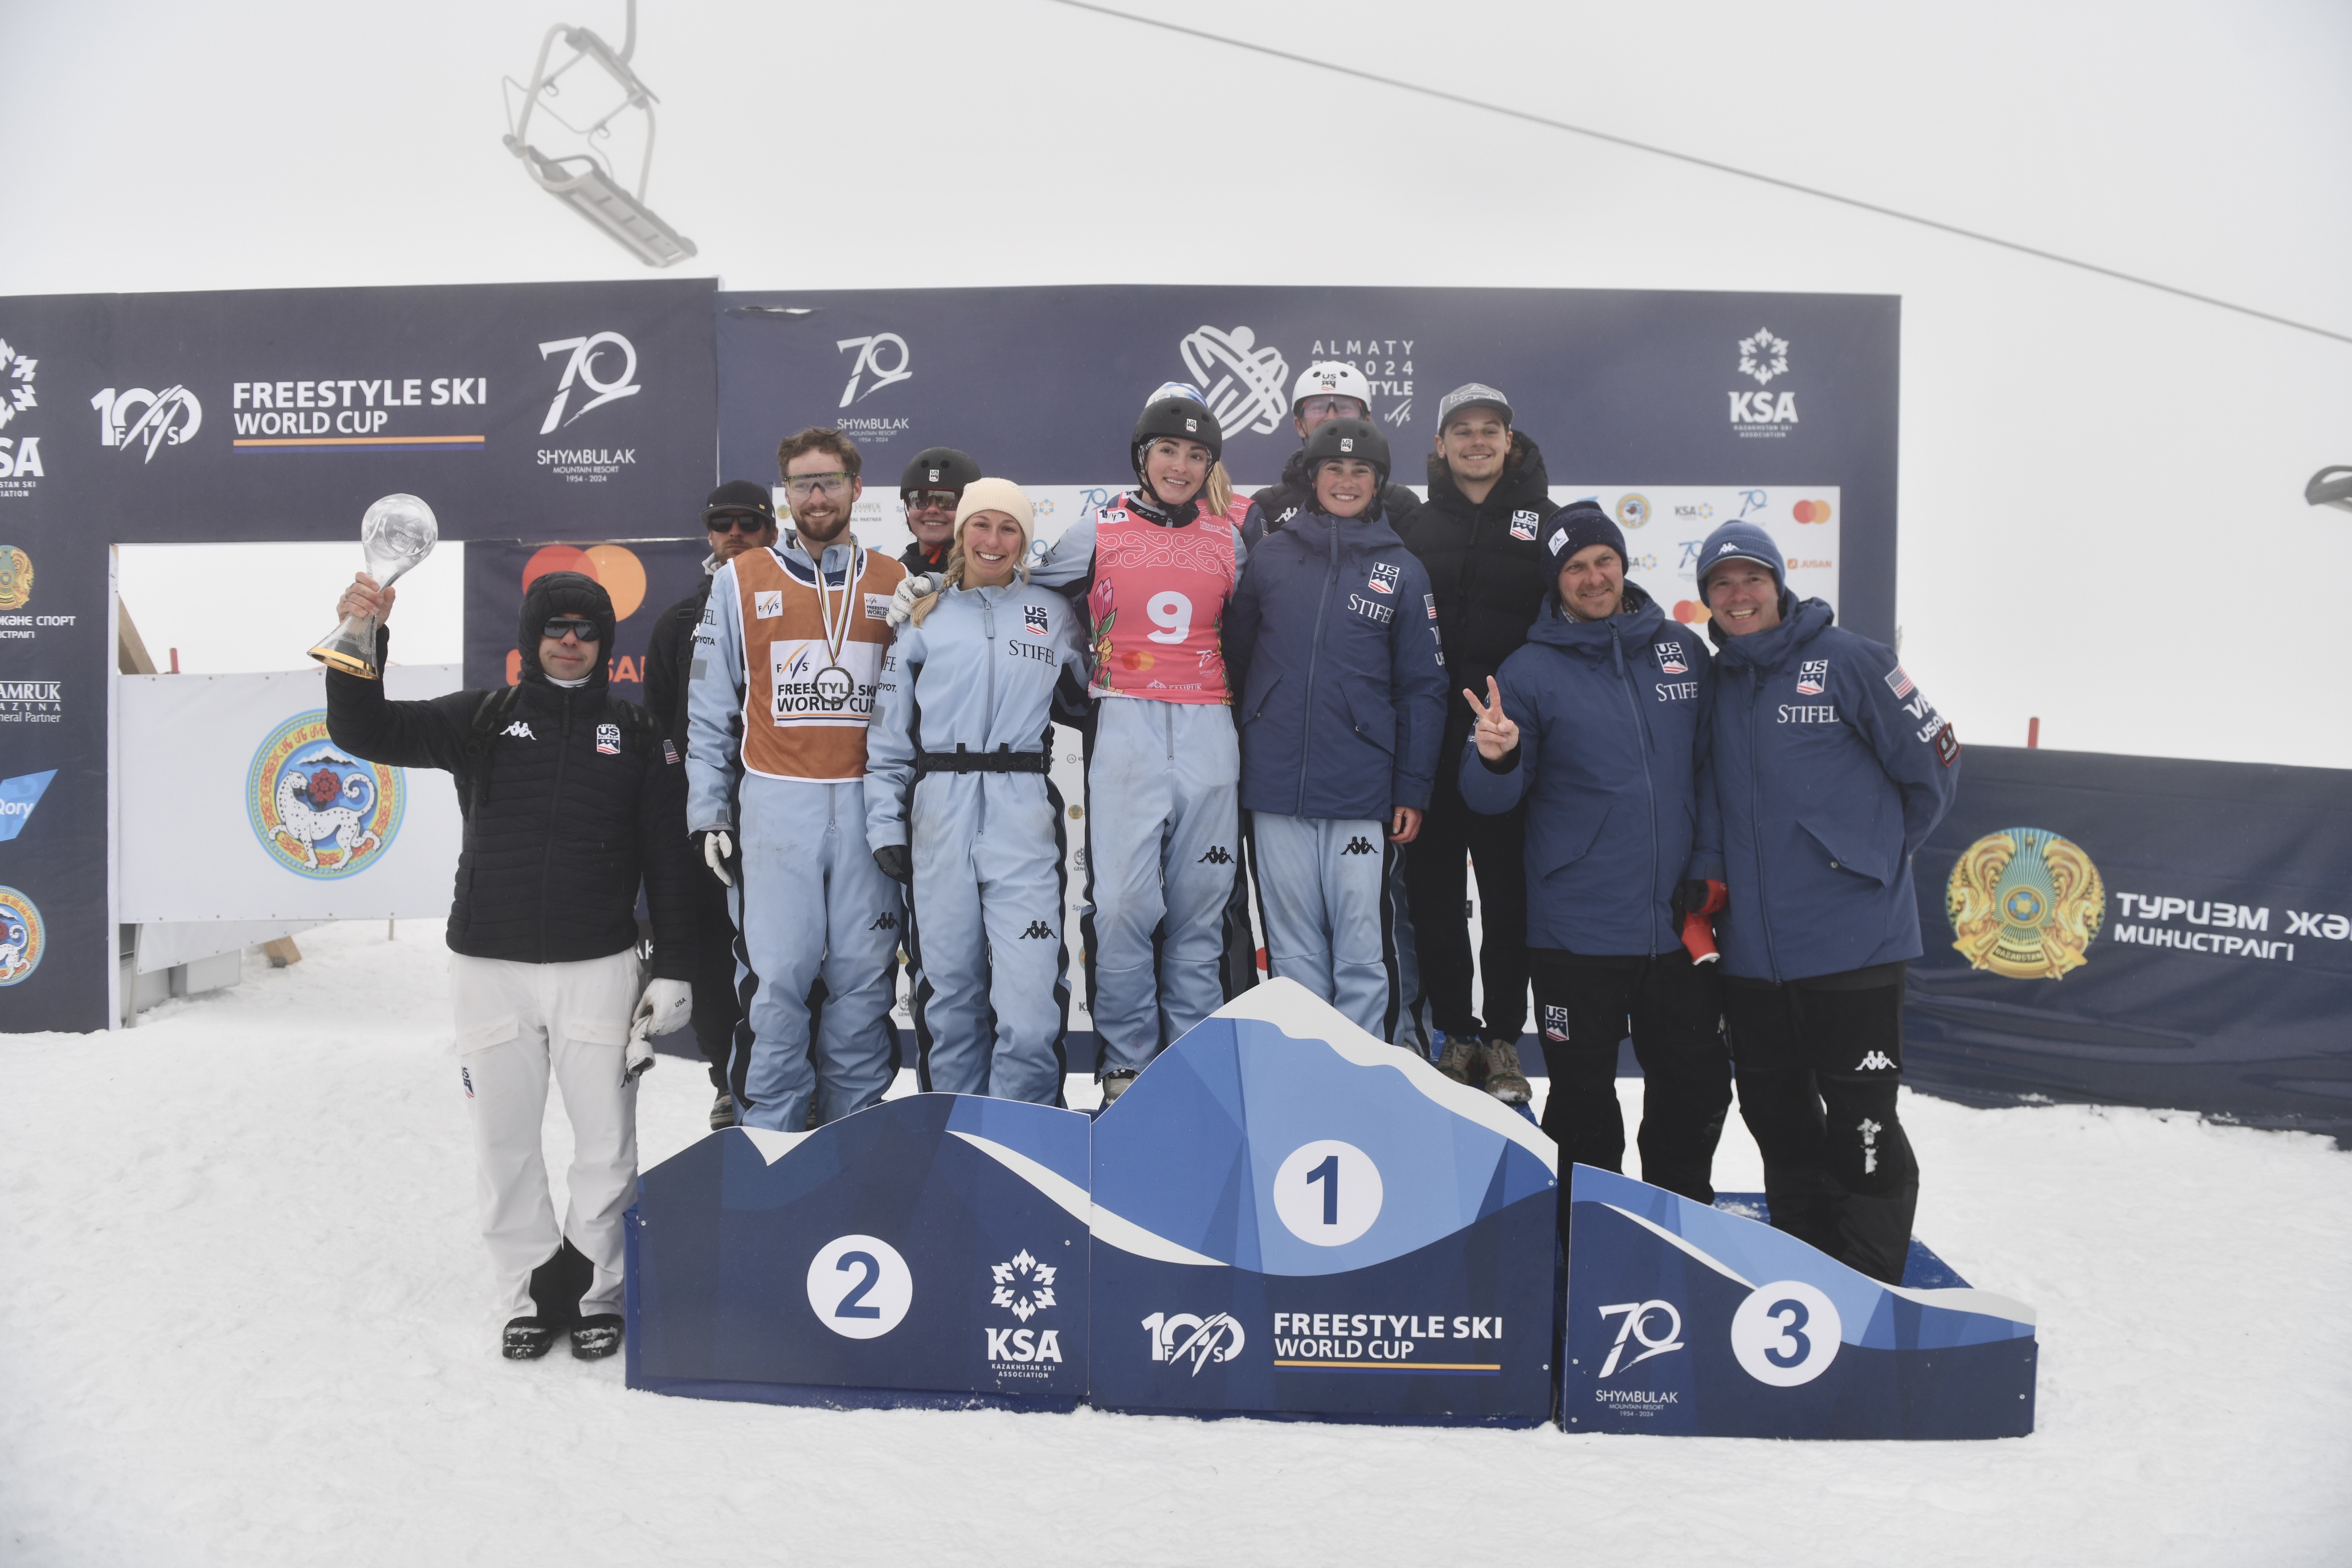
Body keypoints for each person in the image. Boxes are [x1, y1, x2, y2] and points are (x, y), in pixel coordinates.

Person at [324, 567, 695, 1362]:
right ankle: (528, 1292)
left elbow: (669, 859)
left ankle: (596, 1292)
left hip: (599, 964)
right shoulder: (482, 719)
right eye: (556, 628)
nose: (570, 642)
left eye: (586, 630)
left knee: (605, 1145)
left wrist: (675, 964)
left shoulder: (638, 733)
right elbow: (363, 733)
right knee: (504, 1141)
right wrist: (360, 638)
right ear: (530, 639)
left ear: (606, 643)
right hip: (487, 962)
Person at [1697, 519, 1961, 1284]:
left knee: (1863, 1118)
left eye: (1751, 579)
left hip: (1856, 946)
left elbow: (1935, 767)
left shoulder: (1851, 661)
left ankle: (1871, 1280)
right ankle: (1808, 1263)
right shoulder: (1718, 685)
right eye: (1721, 584)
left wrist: (1870, 857)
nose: (1738, 595)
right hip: (1751, 953)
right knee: (1775, 1115)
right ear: (1708, 601)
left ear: (1778, 583)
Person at [1459, 503, 1732, 1219]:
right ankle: (1586, 1240)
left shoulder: (1680, 649)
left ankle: (1679, 1228)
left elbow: (1710, 771)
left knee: (1696, 1088)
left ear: (1622, 563)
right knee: (1583, 1103)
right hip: (1576, 931)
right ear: (1556, 581)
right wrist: (1497, 756)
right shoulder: (1529, 670)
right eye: (1575, 567)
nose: (1592, 577)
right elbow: (1490, 800)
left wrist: (1705, 869)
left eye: (1602, 560)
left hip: (1678, 927)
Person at [1022, 397, 1249, 1103]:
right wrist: (1072, 688)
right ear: (1142, 458)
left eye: (1195, 456)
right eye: (1167, 452)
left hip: (1211, 723)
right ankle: (1126, 1060)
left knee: (1200, 906)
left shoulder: (1229, 539)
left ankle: (1189, 1055)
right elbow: (1034, 605)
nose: (1180, 466)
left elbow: (1252, 632)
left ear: (1209, 466)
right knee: (1120, 904)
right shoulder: (1098, 529)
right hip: (1127, 723)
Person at [686, 428, 907, 1133]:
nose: (817, 496)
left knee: (864, 982)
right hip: (777, 802)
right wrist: (709, 814)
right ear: (786, 493)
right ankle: (769, 1136)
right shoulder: (740, 578)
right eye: (804, 484)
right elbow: (711, 710)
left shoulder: (895, 581)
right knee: (776, 980)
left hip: (869, 807)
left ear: (856, 489)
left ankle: (855, 1132)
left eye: (830, 482)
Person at [865, 480, 1089, 1103]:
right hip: (940, 809)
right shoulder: (924, 613)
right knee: (951, 996)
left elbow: (1099, 687)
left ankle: (1031, 1140)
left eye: (1009, 528)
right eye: (981, 526)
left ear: (1025, 540)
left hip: (1022, 807)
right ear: (961, 533)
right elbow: (887, 736)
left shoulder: (1052, 612)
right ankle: (954, 1142)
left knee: (1031, 1002)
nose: (994, 541)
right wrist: (886, 824)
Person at [1224, 418, 1446, 1042]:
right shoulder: (1269, 556)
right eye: (1334, 470)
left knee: (1362, 949)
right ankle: (1307, 1076)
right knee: (1293, 954)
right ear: (1312, 477)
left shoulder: (1403, 570)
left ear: (1377, 485)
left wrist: (1412, 788)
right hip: (1274, 789)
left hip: (1360, 789)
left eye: (1361, 472)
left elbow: (1424, 689)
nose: (1346, 482)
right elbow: (1236, 663)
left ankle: (1367, 1081)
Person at [1394, 381, 1558, 1102]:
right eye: (1462, 430)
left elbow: (1588, 600)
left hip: (1510, 746)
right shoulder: (1413, 525)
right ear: (1440, 445)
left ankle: (1502, 1042)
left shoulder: (1548, 523)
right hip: (1431, 740)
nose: (1477, 441)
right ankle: (1455, 1035)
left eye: (1491, 428)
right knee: (1434, 899)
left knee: (1507, 897)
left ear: (1509, 442)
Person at [643, 479, 776, 1131]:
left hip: (784, 808)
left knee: (783, 956)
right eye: (722, 524)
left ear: (771, 532)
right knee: (712, 951)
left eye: (748, 523)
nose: (734, 535)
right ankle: (727, 1080)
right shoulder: (677, 622)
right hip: (704, 815)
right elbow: (665, 726)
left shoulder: (796, 605)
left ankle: (787, 1078)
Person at [1240, 362, 1420, 548]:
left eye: (1344, 407)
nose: (1331, 417)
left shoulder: (1403, 506)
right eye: (1318, 407)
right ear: (1299, 425)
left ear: (1367, 421)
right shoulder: (1266, 505)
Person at [898, 446, 981, 575]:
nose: (932, 509)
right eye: (919, 499)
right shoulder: (895, 574)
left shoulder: (986, 577)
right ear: (907, 506)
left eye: (948, 500)